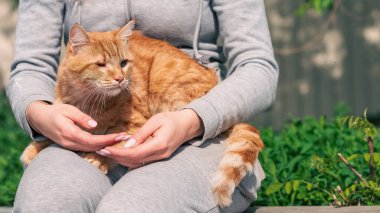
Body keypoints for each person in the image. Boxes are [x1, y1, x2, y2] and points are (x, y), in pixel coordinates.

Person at [8, 0, 279, 212]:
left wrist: (193, 118)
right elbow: (31, 66)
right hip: (94, 131)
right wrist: (40, 114)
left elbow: (259, 67)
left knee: (130, 208)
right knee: (46, 203)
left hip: (198, 123)